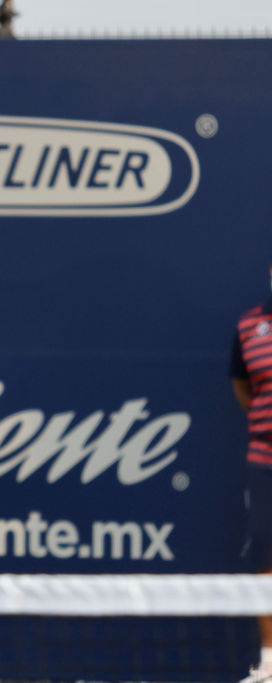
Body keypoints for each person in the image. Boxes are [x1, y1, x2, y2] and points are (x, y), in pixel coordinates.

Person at [233, 265, 272, 683]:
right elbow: (241, 384)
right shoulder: (249, 326)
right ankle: (271, 663)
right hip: (265, 458)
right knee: (267, 557)